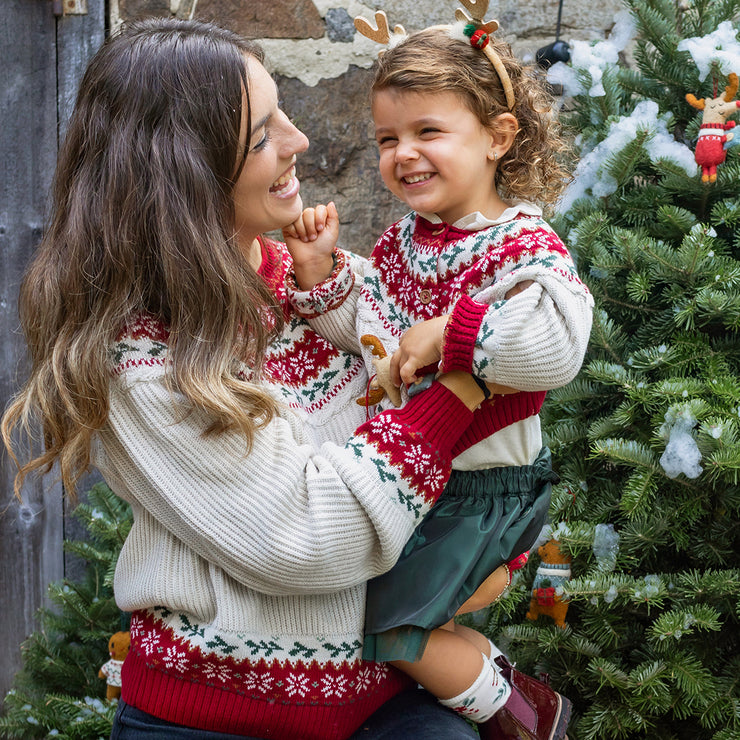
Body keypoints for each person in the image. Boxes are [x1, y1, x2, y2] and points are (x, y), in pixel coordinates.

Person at [0, 17, 517, 740]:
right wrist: (461, 389)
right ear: (184, 174)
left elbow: (460, 361)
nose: (298, 141)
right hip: (223, 721)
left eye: (281, 112)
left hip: (384, 698)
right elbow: (310, 536)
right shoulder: (145, 360)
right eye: (260, 136)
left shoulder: (315, 283)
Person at [282, 20, 594, 740]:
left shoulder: (522, 243)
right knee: (380, 620)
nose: (405, 154)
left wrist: (454, 333)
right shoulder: (400, 244)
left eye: (429, 130)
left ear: (498, 136)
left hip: (483, 492)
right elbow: (377, 347)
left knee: (392, 631)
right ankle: (498, 683)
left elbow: (555, 347)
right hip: (418, 481)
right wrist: (324, 278)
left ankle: (523, 716)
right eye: (389, 139)